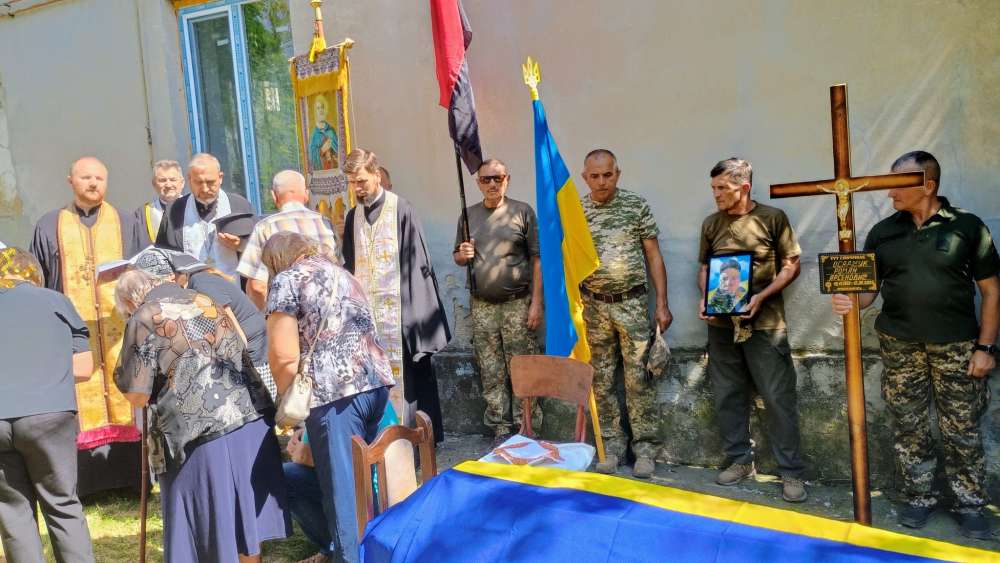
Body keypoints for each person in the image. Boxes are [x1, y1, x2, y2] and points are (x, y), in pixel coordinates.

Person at [831, 151, 999, 539]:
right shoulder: (883, 232)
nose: (889, 192)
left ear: (928, 186)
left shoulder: (967, 227)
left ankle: (971, 503)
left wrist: (985, 348)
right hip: (900, 345)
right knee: (908, 425)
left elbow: (992, 292)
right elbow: (868, 292)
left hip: (957, 346)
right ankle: (918, 498)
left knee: (962, 427)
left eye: (898, 184)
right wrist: (849, 301)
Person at [114, 269, 290, 562]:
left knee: (210, 530)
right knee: (244, 528)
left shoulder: (144, 316)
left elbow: (137, 395)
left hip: (200, 435)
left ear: (131, 303)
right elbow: (242, 342)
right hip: (251, 418)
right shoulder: (203, 299)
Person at [264, 232, 393, 563]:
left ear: (275, 261)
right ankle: (375, 551)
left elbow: (283, 356)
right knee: (366, 482)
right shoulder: (342, 273)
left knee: (344, 494)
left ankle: (351, 557)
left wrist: (289, 406)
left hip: (336, 394)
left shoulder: (287, 280)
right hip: (375, 384)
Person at [29, 156, 143, 495]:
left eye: (99, 178)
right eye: (85, 177)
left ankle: (130, 481)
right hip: (73, 334)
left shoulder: (126, 222)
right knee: (79, 395)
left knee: (125, 390)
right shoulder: (50, 225)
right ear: (71, 181)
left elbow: (143, 272)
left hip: (119, 332)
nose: (93, 183)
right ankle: (87, 485)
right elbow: (40, 281)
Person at [698, 157, 807, 502]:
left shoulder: (772, 218)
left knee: (777, 397)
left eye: (723, 188)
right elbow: (705, 269)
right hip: (721, 326)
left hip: (764, 325)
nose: (716, 194)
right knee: (727, 394)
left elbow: (791, 265)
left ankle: (791, 472)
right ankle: (740, 460)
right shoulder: (711, 224)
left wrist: (762, 296)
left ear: (743, 187)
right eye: (714, 187)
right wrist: (705, 299)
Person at [342, 148, 451, 442]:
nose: (357, 188)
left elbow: (418, 265)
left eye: (362, 181)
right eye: (352, 183)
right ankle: (381, 443)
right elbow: (349, 265)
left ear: (377, 175)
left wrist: (414, 322)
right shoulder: (352, 217)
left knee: (412, 382)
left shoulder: (401, 209)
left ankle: (415, 444)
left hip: (401, 316)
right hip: (367, 320)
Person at [579, 149, 672, 479]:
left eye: (608, 174)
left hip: (631, 304)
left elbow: (653, 256)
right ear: (585, 177)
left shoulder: (635, 205)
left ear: (617, 174)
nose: (602, 181)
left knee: (638, 379)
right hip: (593, 306)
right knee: (601, 380)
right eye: (595, 176)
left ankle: (645, 450)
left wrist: (662, 303)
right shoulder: (576, 211)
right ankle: (612, 447)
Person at [0, 248, 95, 562]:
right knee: (62, 504)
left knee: (13, 512)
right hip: (48, 415)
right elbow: (83, 368)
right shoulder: (56, 301)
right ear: (33, 273)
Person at [452, 158, 543, 445]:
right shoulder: (468, 215)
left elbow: (537, 259)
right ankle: (501, 428)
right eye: (486, 179)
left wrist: (536, 303)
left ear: (507, 179)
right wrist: (463, 255)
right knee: (490, 368)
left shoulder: (522, 212)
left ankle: (526, 427)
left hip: (517, 303)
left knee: (522, 366)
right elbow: (458, 257)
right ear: (478, 183)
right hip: (482, 305)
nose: (492, 184)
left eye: (498, 178)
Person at [132, 247, 276, 402]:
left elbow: (236, 336)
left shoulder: (201, 285)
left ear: (171, 278)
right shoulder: (196, 284)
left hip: (256, 360)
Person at [238, 170, 340, 310]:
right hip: (328, 310)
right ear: (306, 194)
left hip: (287, 314)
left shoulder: (265, 227)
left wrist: (264, 317)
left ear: (274, 196)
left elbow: (257, 287)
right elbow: (340, 271)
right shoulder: (325, 223)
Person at [155, 153, 254, 280]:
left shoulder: (240, 206)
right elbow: (163, 255)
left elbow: (260, 252)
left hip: (233, 287)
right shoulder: (174, 210)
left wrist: (240, 245)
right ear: (189, 179)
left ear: (220, 178)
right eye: (198, 182)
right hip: (191, 288)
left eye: (210, 182)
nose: (205, 189)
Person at [134, 160, 185, 246]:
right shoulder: (143, 214)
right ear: (154, 184)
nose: (168, 185)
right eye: (162, 180)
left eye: (173, 180)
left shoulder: (195, 208)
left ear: (182, 183)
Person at [309, 94, 338, 171]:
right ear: (315, 111)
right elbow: (311, 156)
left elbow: (338, 152)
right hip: (320, 173)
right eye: (318, 108)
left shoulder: (331, 131)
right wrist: (322, 150)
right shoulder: (314, 135)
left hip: (333, 171)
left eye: (322, 107)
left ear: (325, 110)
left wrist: (334, 155)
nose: (321, 110)